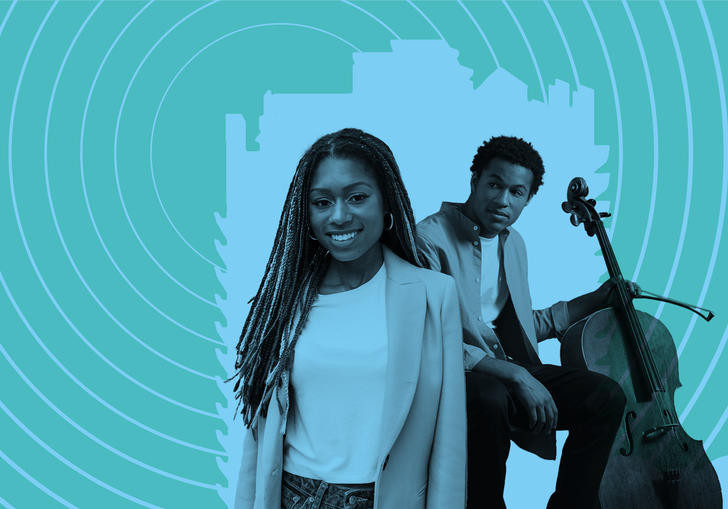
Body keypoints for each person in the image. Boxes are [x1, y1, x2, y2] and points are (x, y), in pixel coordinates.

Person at [232, 128, 467, 509]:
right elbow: (257, 443)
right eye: (322, 202)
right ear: (306, 214)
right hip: (294, 497)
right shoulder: (283, 302)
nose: (339, 216)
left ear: (385, 202)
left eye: (357, 197)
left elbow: (450, 445)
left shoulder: (433, 295)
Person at [416, 135, 628, 509]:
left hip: (503, 375)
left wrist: (596, 299)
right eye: (494, 185)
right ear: (475, 181)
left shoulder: (513, 244)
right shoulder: (428, 239)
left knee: (605, 396)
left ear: (528, 199)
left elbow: (516, 325)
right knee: (490, 396)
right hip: (450, 380)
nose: (502, 200)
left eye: (517, 192)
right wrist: (515, 375)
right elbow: (426, 334)